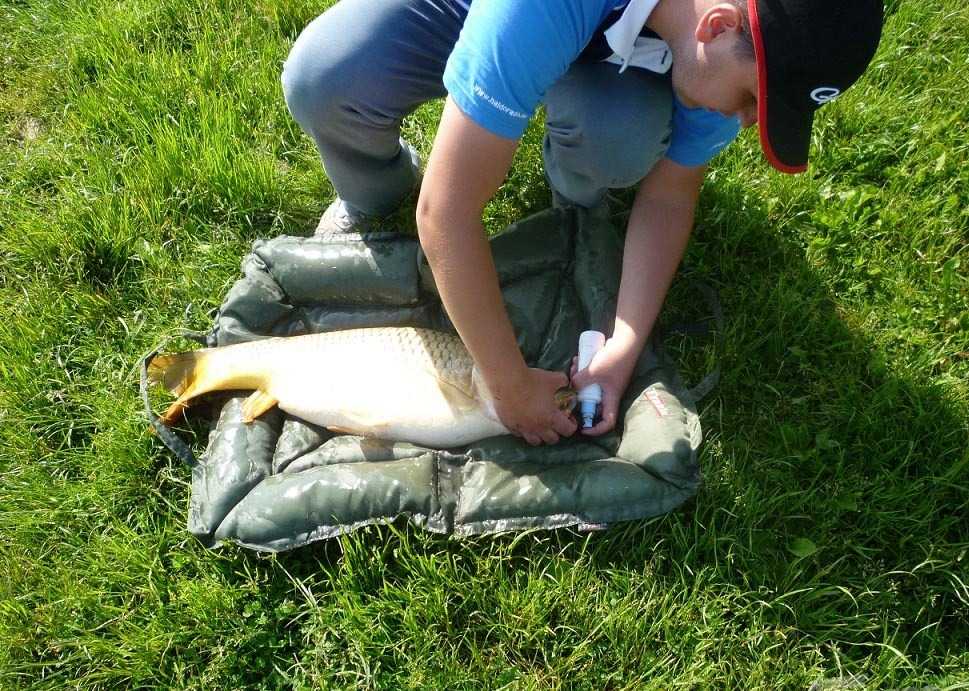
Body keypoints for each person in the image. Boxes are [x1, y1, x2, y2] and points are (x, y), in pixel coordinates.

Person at [282, 0, 884, 446]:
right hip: (517, 11)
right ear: (717, 26)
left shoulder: (730, 44)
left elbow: (670, 198)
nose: (750, 122)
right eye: (754, 98)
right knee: (326, 79)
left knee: (617, 135)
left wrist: (623, 347)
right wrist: (507, 383)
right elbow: (446, 211)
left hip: (614, 40)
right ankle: (374, 191)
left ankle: (576, 192)